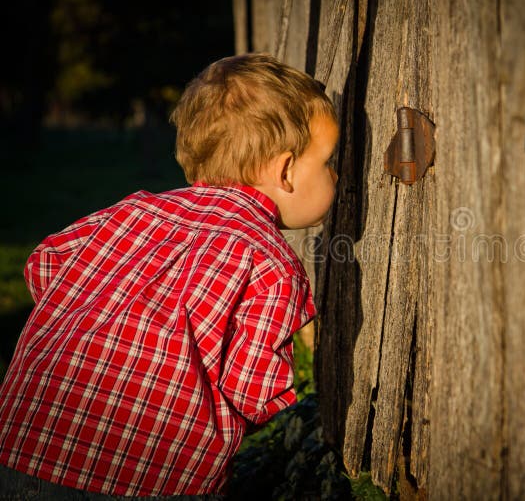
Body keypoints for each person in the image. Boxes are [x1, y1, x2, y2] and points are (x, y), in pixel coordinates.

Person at [0, 53, 339, 498]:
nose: (336, 174)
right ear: (285, 170)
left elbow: (45, 264)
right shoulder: (271, 264)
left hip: (23, 438)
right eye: (329, 161)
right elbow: (252, 391)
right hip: (146, 474)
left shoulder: (132, 211)